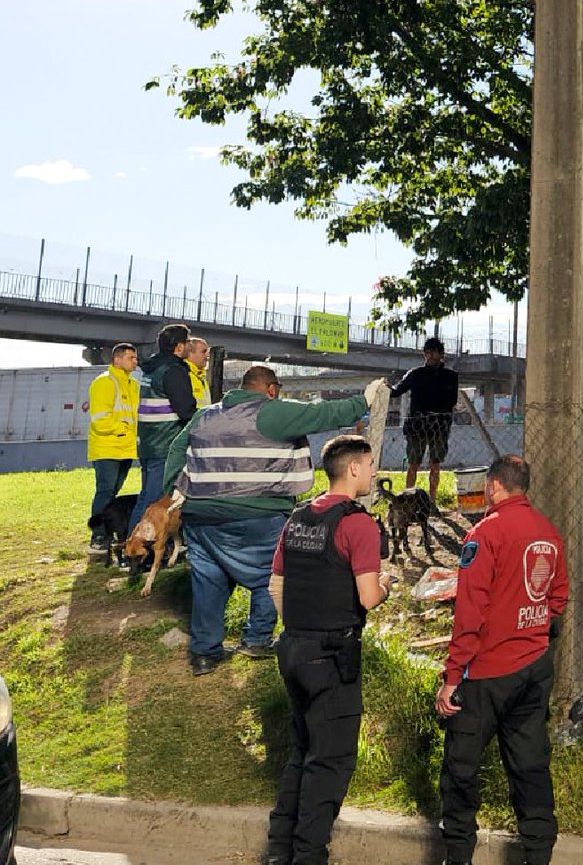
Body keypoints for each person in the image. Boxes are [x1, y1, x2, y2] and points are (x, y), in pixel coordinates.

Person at [164, 366, 382, 676]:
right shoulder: (270, 413)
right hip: (258, 514)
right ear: (271, 389)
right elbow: (322, 414)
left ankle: (204, 653)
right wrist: (362, 402)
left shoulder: (205, 415)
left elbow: (176, 449)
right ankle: (256, 639)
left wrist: (174, 491)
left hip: (201, 516)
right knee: (270, 574)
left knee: (208, 583)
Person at [264, 434, 395, 865]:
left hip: (294, 650)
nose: (374, 473)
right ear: (354, 468)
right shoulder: (358, 523)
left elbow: (276, 585)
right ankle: (308, 855)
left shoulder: (299, 517)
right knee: (332, 761)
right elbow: (368, 597)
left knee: (301, 754)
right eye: (371, 465)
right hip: (332, 659)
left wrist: (299, 630)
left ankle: (279, 851)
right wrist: (387, 584)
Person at [436, 455, 569, 865]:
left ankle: (458, 855)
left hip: (487, 675)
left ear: (493, 486)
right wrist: (531, 629)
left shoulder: (485, 534)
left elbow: (470, 612)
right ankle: (538, 854)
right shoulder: (548, 532)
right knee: (530, 764)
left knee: (460, 769)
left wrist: (452, 676)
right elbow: (558, 597)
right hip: (533, 668)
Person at [131, 322, 196, 534]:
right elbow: (186, 409)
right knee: (154, 499)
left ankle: (137, 544)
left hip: (149, 442)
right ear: (178, 347)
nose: (190, 346)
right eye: (187, 342)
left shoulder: (152, 369)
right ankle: (137, 545)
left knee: (146, 495)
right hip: (165, 444)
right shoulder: (173, 371)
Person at [390, 337, 458, 502]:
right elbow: (397, 391)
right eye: (427, 352)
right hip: (417, 424)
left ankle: (432, 502)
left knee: (435, 464)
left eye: (433, 352)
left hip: (439, 425)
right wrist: (383, 389)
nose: (430, 356)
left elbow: (452, 401)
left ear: (442, 354)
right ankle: (408, 500)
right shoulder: (415, 374)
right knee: (413, 463)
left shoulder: (450, 376)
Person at [86, 342, 140, 551]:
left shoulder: (132, 384)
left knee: (113, 492)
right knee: (105, 492)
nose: (135, 361)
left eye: (135, 358)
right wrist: (124, 429)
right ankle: (98, 536)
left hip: (126, 448)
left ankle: (108, 532)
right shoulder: (104, 383)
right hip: (107, 447)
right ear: (117, 359)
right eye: (131, 358)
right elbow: (100, 419)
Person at [183, 336, 212, 408]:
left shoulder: (201, 376)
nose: (207, 355)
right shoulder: (184, 375)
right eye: (203, 351)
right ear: (190, 353)